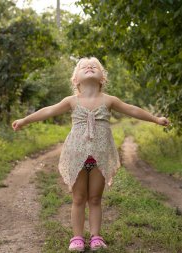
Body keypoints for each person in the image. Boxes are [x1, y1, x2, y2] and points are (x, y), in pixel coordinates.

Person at [12, 57, 170, 252]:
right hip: (76, 156)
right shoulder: (71, 101)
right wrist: (24, 120)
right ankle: (77, 237)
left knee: (95, 198)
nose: (89, 67)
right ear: (75, 80)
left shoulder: (109, 100)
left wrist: (155, 119)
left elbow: (132, 109)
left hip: (99, 158)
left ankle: (96, 237)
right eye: (83, 66)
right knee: (79, 198)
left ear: (102, 78)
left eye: (94, 66)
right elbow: (48, 111)